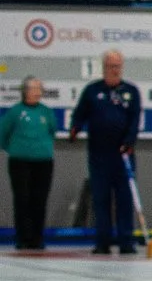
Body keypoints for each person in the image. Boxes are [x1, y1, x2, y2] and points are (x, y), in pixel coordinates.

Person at [68, 50, 143, 256]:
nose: (115, 69)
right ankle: (103, 242)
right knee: (101, 199)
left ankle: (126, 241)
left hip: (123, 155)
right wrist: (75, 127)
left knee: (124, 199)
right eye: (111, 66)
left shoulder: (131, 91)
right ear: (104, 67)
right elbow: (80, 113)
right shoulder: (92, 91)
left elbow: (135, 119)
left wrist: (129, 141)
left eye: (118, 66)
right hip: (99, 155)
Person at [6, 77, 56, 252]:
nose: (38, 92)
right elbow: (2, 132)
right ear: (25, 91)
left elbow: (52, 131)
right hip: (20, 162)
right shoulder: (15, 112)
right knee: (22, 199)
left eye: (40, 88)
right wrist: (14, 148)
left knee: (39, 200)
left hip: (43, 162)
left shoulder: (46, 112)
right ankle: (22, 237)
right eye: (34, 88)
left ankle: (37, 238)